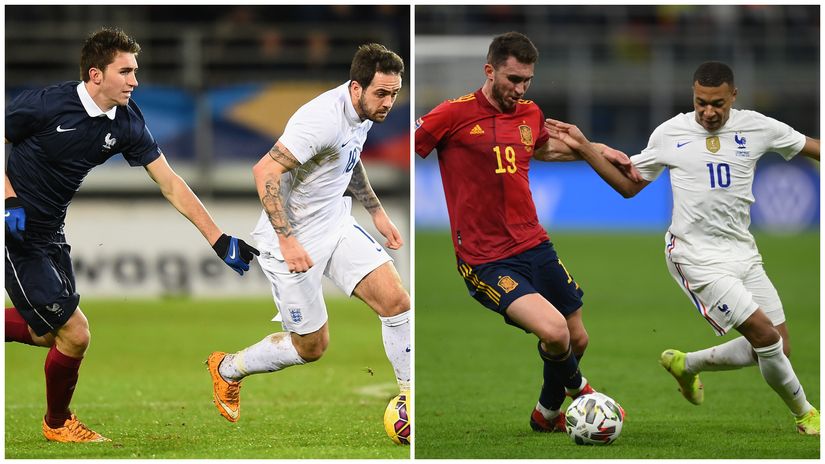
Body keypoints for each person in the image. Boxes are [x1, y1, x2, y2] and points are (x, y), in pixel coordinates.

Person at [4, 28, 259, 443]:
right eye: (125, 71)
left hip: (51, 232)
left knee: (46, 332)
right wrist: (8, 199)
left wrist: (218, 238)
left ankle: (57, 421)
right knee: (76, 332)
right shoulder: (46, 104)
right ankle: (57, 424)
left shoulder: (126, 122)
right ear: (95, 75)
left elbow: (171, 183)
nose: (134, 81)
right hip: (15, 231)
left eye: (135, 71)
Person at [546, 61, 820, 435]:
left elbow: (812, 147)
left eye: (717, 104)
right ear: (693, 96)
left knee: (778, 349)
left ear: (733, 97)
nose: (708, 111)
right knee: (765, 336)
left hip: (743, 251)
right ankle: (806, 415)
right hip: (694, 256)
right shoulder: (670, 133)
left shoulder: (758, 127)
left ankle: (686, 364)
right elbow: (628, 186)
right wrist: (584, 146)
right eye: (700, 102)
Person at [414, 32, 632, 432]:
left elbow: (548, 149)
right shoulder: (452, 113)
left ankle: (546, 415)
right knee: (554, 330)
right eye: (513, 79)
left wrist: (599, 149)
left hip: (534, 243)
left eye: (527, 80)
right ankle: (584, 394)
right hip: (485, 258)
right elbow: (411, 143)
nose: (520, 88)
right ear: (489, 70)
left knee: (576, 338)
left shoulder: (530, 113)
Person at [205, 43, 411, 427]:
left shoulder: (364, 114)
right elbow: (264, 171)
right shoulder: (320, 119)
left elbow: (347, 159)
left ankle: (410, 399)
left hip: (335, 223)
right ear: (356, 87)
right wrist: (286, 240)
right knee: (311, 347)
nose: (387, 103)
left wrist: (377, 212)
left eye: (394, 94)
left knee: (397, 302)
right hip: (291, 241)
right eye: (381, 93)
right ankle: (228, 369)